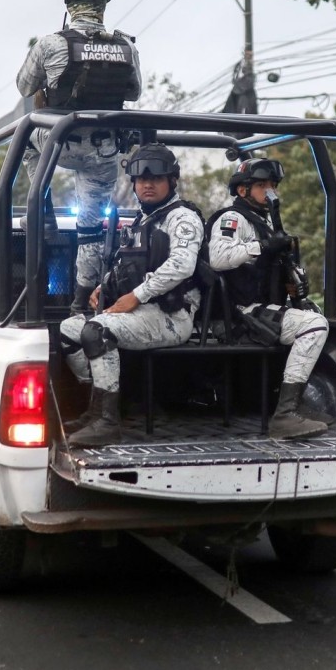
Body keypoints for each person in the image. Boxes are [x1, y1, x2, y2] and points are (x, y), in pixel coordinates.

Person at [16, 0, 143, 313]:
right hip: (103, 151)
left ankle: (42, 210)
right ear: (103, 4)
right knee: (90, 231)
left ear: (69, 5)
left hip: (59, 143)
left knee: (23, 138)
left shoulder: (50, 44)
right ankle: (81, 301)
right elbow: (134, 92)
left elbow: (24, 87)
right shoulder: (126, 46)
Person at [59, 144, 201, 447]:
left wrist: (135, 296)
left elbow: (182, 265)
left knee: (97, 330)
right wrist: (104, 288)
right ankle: (100, 408)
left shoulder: (182, 218)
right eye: (141, 180)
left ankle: (107, 423)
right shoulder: (141, 221)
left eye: (157, 178)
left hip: (172, 315)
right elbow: (128, 266)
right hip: (141, 314)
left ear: (172, 181)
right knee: (68, 331)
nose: (147, 185)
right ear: (134, 184)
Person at [207, 157, 330, 439]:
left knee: (315, 314)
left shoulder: (265, 222)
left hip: (260, 309)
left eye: (273, 185)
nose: (270, 191)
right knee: (313, 326)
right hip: (237, 314)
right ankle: (285, 414)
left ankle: (292, 406)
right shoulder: (232, 218)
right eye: (262, 185)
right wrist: (263, 246)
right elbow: (218, 258)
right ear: (242, 191)